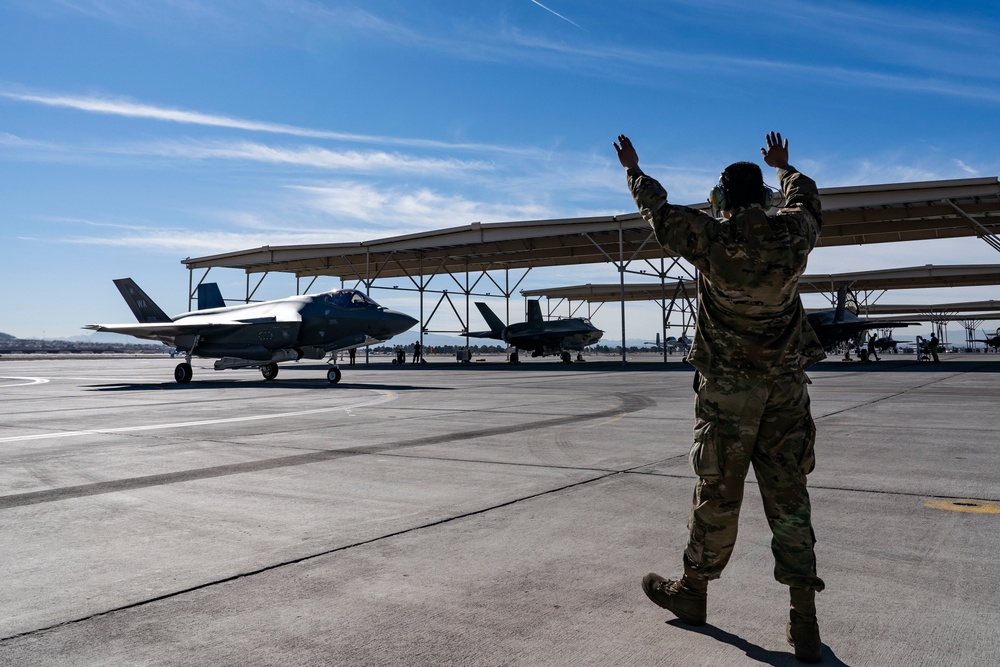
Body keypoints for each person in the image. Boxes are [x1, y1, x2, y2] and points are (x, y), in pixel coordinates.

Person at [615, 131, 826, 663]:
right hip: (784, 393)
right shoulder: (794, 234)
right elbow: (807, 197)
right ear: (765, 197)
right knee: (791, 501)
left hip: (727, 396)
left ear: (724, 198)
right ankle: (804, 622)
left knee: (717, 496)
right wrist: (784, 166)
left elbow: (657, 209)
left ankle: (693, 593)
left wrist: (633, 169)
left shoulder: (710, 238)